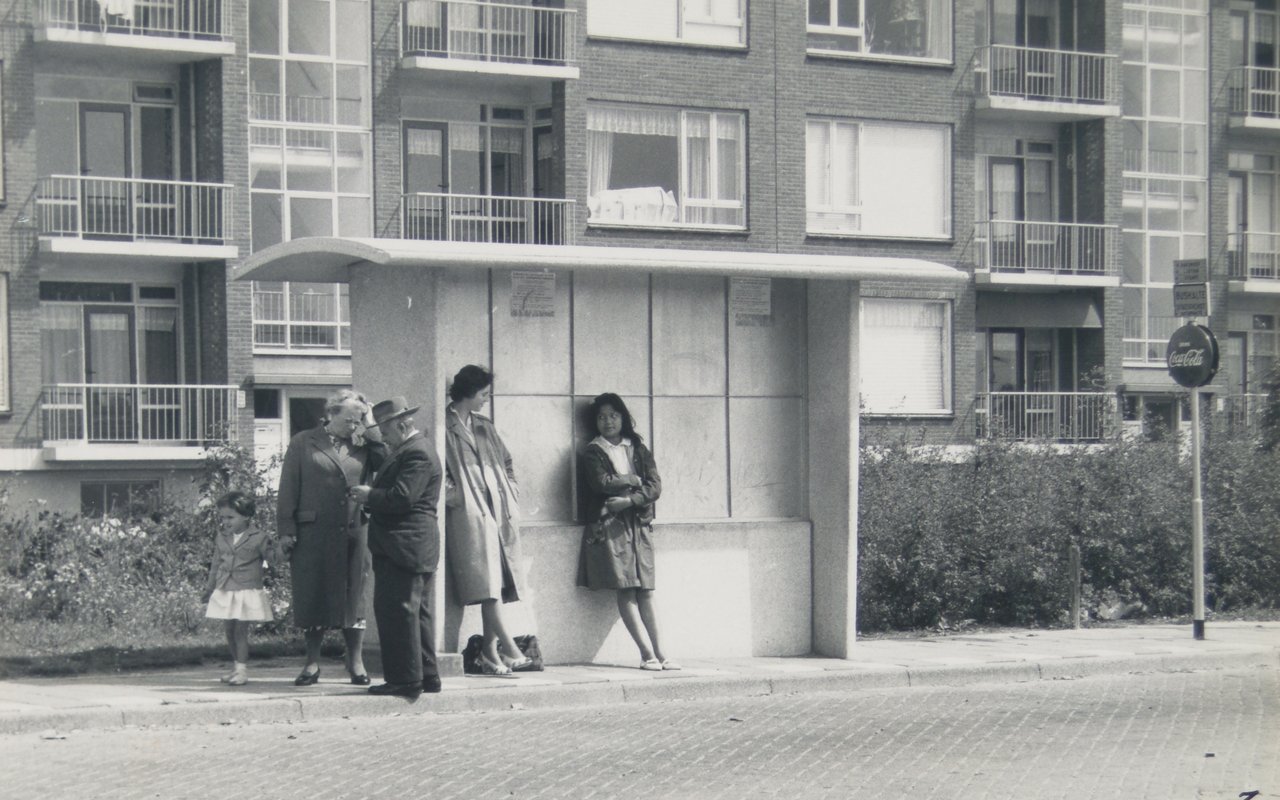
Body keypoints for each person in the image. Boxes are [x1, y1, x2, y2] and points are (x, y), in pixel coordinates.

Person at [277, 388, 386, 686]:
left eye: (358, 420)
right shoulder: (303, 442)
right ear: (331, 413)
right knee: (313, 595)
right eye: (349, 419)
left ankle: (356, 663)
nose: (354, 426)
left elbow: (387, 463)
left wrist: (372, 425)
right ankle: (311, 663)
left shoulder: (365, 445)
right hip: (313, 532)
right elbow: (288, 487)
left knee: (355, 597)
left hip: (353, 531)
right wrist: (286, 531)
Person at [576, 393, 679, 671]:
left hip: (640, 524)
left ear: (623, 417)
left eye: (613, 415)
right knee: (626, 589)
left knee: (646, 590)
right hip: (611, 526)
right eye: (601, 416)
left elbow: (655, 486)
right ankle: (646, 654)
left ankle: (662, 652)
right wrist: (633, 480)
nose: (607, 421)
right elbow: (601, 483)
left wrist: (630, 499)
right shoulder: (593, 451)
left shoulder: (637, 448)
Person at [350, 396, 443, 699]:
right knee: (417, 614)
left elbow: (402, 498)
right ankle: (427, 675)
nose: (384, 439)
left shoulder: (416, 453)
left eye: (386, 432)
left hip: (404, 545)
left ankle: (405, 680)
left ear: (402, 425)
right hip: (412, 545)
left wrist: (369, 496)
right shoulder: (412, 449)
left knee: (398, 612)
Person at [444, 365, 533, 676]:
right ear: (469, 393)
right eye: (483, 394)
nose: (486, 399)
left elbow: (507, 461)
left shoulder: (484, 425)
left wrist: (511, 490)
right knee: (487, 584)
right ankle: (509, 647)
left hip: (498, 511)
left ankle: (489, 653)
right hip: (470, 513)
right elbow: (436, 471)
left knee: (496, 583)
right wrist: (454, 497)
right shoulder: (445, 426)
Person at [203, 491, 281, 686]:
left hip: (246, 590)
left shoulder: (259, 537)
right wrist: (209, 587)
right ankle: (235, 667)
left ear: (246, 516)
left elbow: (273, 559)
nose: (226, 522)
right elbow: (215, 564)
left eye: (230, 517)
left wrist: (283, 547)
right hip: (225, 589)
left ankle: (242, 670)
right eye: (223, 518)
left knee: (240, 631)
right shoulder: (222, 537)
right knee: (229, 630)